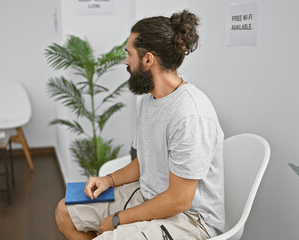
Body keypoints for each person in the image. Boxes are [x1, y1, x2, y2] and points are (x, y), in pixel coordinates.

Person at [55, 9, 225, 240]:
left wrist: (118, 220)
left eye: (129, 54)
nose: (126, 61)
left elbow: (179, 199)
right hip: (148, 196)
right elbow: (146, 161)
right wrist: (109, 180)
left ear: (147, 59)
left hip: (189, 219)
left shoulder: (189, 114)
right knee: (64, 212)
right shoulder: (148, 100)